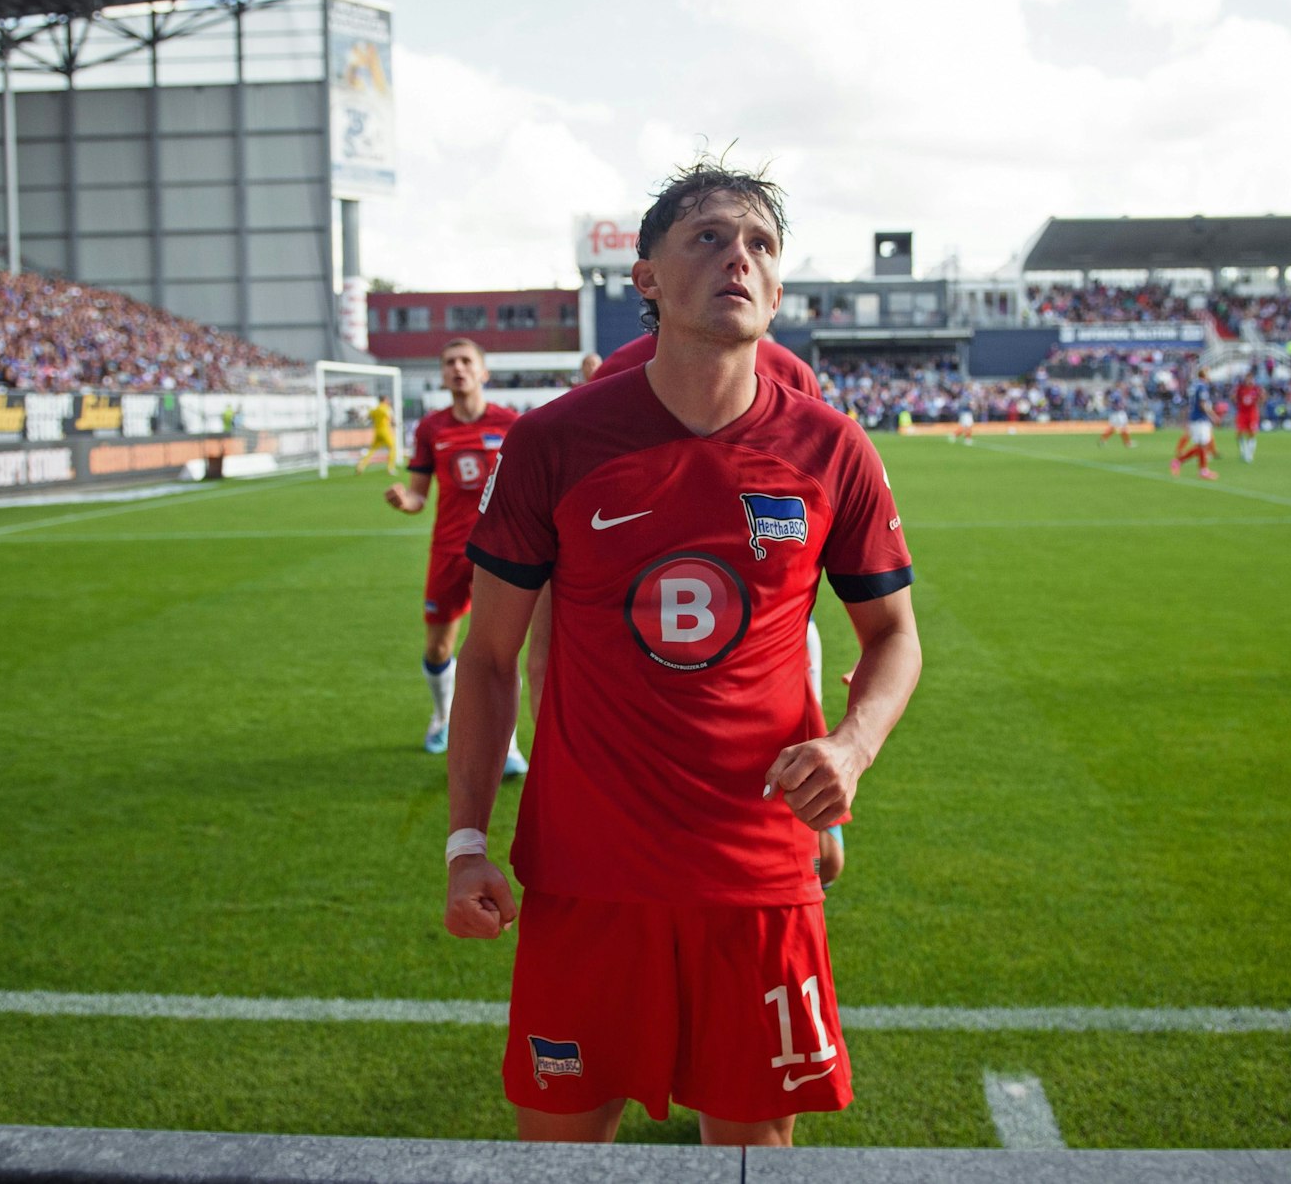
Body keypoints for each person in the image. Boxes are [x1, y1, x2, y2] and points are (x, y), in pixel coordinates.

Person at [443, 162, 921, 1147]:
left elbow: (892, 635)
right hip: (587, 872)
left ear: (777, 293)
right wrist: (465, 842)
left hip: (757, 872)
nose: (735, 257)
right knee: (560, 1155)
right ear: (646, 278)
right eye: (706, 237)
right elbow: (491, 658)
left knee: (751, 1153)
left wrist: (850, 748)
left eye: (757, 245)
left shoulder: (832, 448)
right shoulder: (553, 443)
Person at [541, 330, 849, 888]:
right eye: (708, 238)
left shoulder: (791, 371)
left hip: (770, 641)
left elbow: (818, 500)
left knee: (816, 855)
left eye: (759, 247)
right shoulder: (619, 367)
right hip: (640, 635)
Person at [383, 338, 527, 775]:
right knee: (438, 646)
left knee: (500, 652)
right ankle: (443, 716)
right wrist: (403, 499)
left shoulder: (511, 423)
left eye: (466, 361)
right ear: (442, 375)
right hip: (448, 550)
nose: (458, 368)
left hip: (498, 552)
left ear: (483, 372)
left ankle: (508, 747)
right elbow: (418, 496)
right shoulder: (431, 428)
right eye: (449, 363)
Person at [1170, 371, 1219, 480]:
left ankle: (1199, 468)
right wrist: (1213, 416)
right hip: (1200, 419)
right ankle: (1198, 469)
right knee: (1202, 445)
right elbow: (1202, 404)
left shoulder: (1195, 385)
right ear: (1205, 375)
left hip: (1196, 418)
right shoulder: (1202, 387)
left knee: (1202, 445)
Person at [356, 395, 400, 475]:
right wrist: (396, 424)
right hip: (386, 431)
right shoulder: (387, 408)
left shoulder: (375, 409)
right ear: (385, 400)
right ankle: (391, 468)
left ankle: (361, 465)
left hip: (377, 431)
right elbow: (391, 419)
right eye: (387, 399)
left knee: (372, 449)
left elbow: (368, 417)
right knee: (392, 448)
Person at [1233, 372, 1263, 462]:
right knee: (1239, 433)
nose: (1249, 380)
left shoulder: (1256, 388)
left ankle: (1249, 454)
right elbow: (1234, 397)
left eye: (1250, 378)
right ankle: (1243, 451)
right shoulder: (1240, 388)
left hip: (1252, 413)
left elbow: (1262, 397)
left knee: (1252, 433)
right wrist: (1237, 404)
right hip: (1242, 413)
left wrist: (1258, 405)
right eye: (1247, 378)